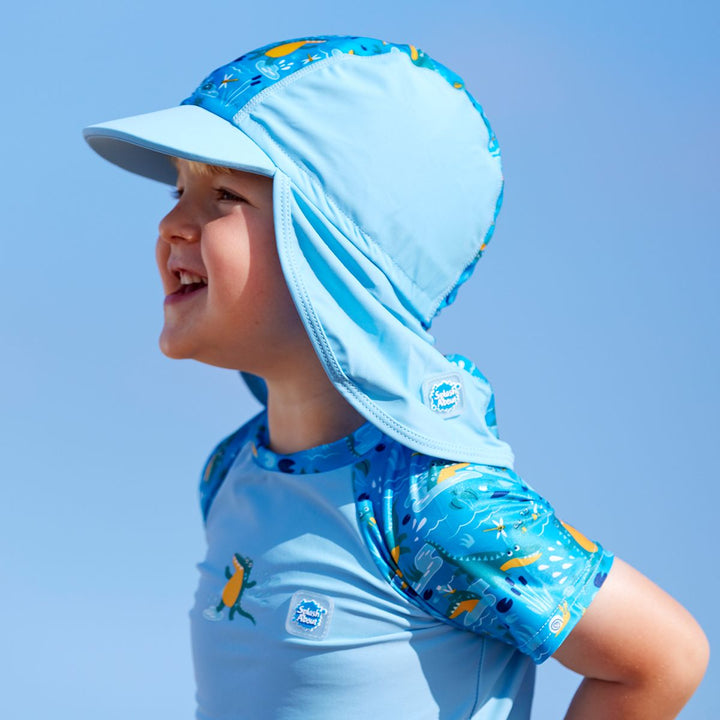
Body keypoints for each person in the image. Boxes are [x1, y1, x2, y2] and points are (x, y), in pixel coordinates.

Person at [83, 35, 708, 719]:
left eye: (224, 194)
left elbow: (662, 659)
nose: (173, 222)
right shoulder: (231, 472)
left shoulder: (434, 501)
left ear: (335, 251)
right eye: (179, 187)